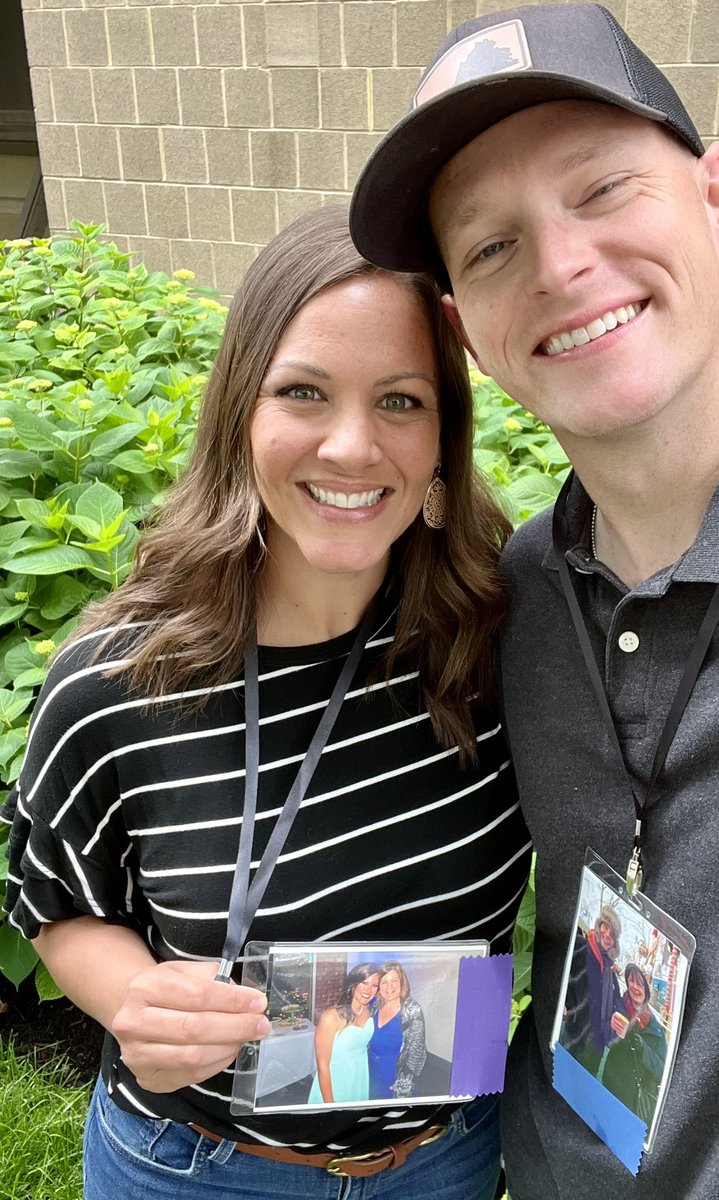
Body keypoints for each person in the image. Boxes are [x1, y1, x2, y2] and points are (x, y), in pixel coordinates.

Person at [349, 4, 719, 1197]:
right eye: (489, 247)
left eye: (601, 191)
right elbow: (572, 967)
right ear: (468, 333)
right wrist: (261, 1041)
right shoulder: (524, 594)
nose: (556, 265)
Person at [2, 205, 531, 1200]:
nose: (350, 445)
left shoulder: (499, 650)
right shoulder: (116, 683)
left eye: (402, 401)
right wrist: (135, 1003)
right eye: (304, 392)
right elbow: (54, 903)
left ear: (444, 443)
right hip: (199, 1166)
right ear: (241, 414)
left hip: (447, 1161)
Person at [559, 905, 622, 1077]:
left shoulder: (610, 972)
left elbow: (616, 1006)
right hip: (571, 1036)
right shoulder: (579, 946)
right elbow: (559, 972)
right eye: (606, 927)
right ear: (599, 925)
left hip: (594, 1052)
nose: (608, 934)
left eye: (613, 934)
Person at [602, 964, 666, 1125]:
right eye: (631, 980)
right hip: (608, 1086)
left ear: (647, 989)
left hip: (633, 1104)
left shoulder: (656, 1030)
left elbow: (661, 1071)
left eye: (639, 983)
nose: (634, 987)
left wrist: (643, 1048)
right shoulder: (617, 1006)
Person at [308, 963, 380, 1105]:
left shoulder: (369, 1010)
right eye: (364, 982)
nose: (369, 990)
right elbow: (322, 1065)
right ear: (353, 983)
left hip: (359, 1075)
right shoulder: (331, 1017)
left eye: (374, 985)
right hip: (335, 1081)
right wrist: (330, 1105)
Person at [368, 960, 427, 1099]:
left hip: (394, 1079)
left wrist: (404, 1084)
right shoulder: (374, 1005)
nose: (389, 986)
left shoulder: (411, 1010)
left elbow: (417, 1052)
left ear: (402, 982)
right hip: (371, 1075)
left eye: (394, 980)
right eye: (384, 982)